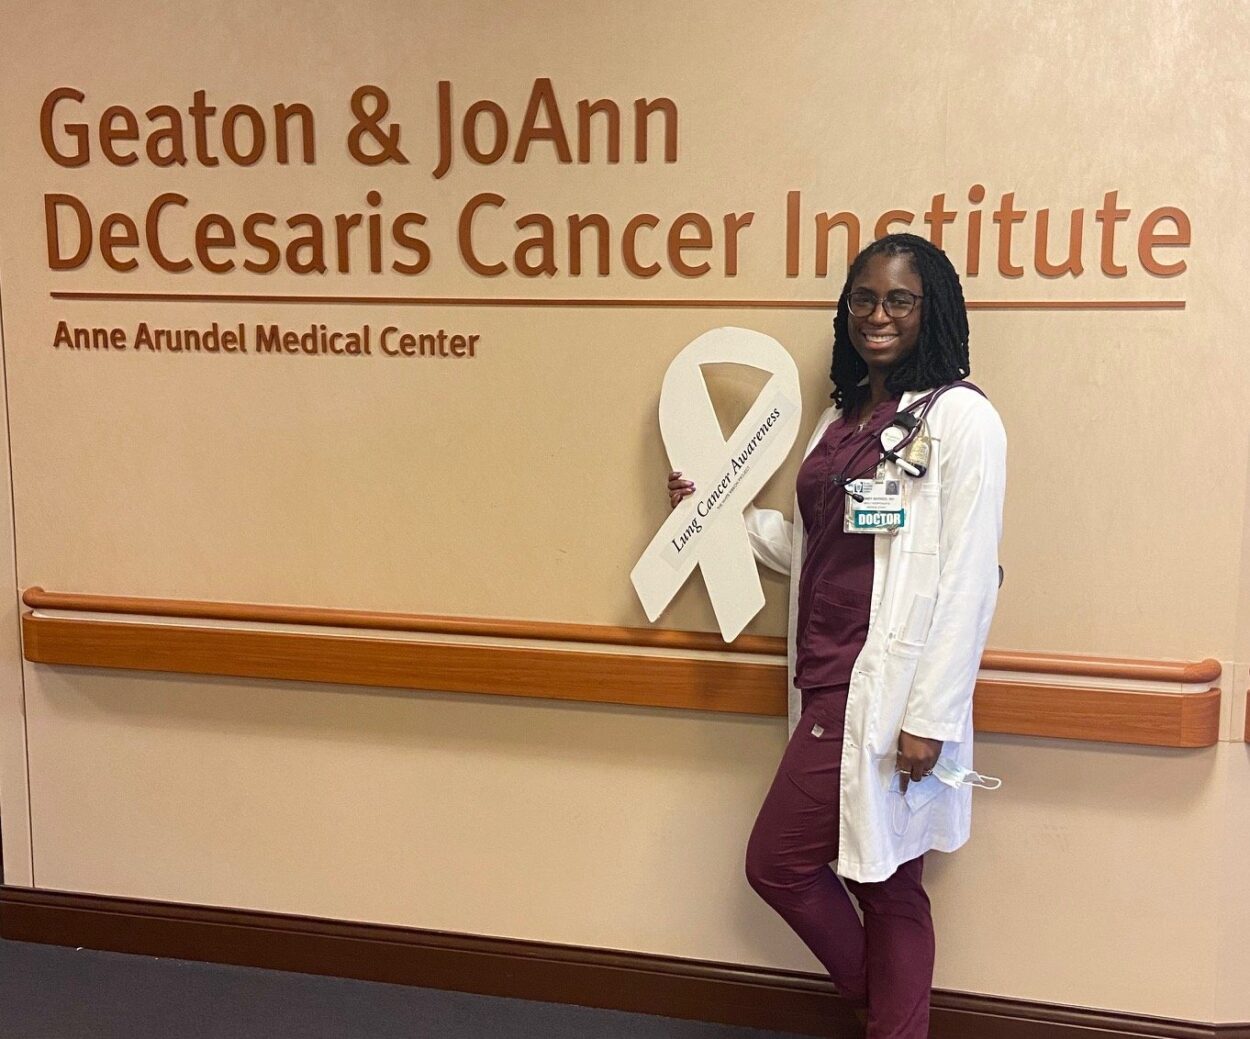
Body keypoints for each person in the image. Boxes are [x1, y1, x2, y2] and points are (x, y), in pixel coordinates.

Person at [667, 233, 1006, 1039]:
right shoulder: (839, 417)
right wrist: (713, 517)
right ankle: (896, 1019)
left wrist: (929, 714)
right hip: (827, 675)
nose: (877, 315)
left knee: (781, 862)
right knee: (890, 884)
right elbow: (813, 543)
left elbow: (968, 581)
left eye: (899, 299)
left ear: (934, 312)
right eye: (863, 298)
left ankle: (883, 1010)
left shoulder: (961, 420)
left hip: (887, 688)